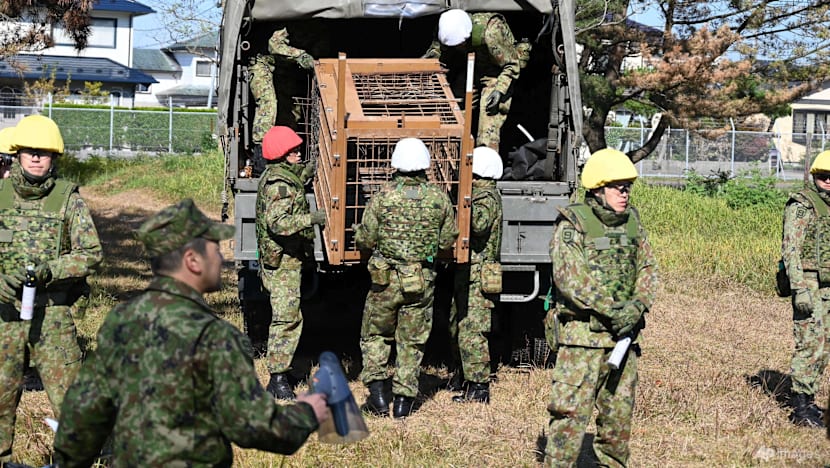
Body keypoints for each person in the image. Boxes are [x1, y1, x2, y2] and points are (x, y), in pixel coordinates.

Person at [53, 199, 328, 466]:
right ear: (193, 261)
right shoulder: (217, 337)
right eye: (214, 250)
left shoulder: (121, 322)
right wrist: (307, 413)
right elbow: (255, 427)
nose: (221, 258)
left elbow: (85, 413)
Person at [544, 148, 657, 466]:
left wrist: (637, 306)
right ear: (597, 188)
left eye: (628, 186)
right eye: (617, 186)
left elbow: (648, 268)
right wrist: (616, 311)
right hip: (582, 342)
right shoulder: (572, 224)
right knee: (568, 420)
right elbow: (572, 281)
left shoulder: (632, 222)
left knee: (618, 425)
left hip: (623, 341)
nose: (625, 192)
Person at [0, 114, 103, 462]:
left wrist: (49, 271)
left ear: (54, 157)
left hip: (54, 316)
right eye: (29, 151)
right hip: (4, 317)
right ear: (17, 154)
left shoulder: (68, 199)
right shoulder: (0, 195)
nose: (35, 157)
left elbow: (91, 254)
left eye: (43, 152)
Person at [354, 137, 458, 419]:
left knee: (376, 335)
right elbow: (448, 239)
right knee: (411, 341)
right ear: (424, 163)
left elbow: (366, 238)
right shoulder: (438, 198)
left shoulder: (382, 196)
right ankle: (403, 403)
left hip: (385, 280)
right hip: (420, 280)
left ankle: (377, 397)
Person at [255, 126, 325, 400]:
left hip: (284, 261)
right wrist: (312, 219)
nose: (298, 153)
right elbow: (278, 223)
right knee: (286, 320)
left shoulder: (280, 176)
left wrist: (312, 167)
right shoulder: (279, 186)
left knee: (291, 317)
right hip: (282, 263)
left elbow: (297, 178)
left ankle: (281, 372)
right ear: (282, 155)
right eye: (293, 150)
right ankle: (277, 380)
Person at [448, 146, 503, 404]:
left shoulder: (486, 197)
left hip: (479, 274)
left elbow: (478, 225)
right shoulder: (481, 194)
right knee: (457, 326)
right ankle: (463, 376)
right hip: (469, 272)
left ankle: (479, 387)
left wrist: (463, 204)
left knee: (472, 331)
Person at [423, 9, 523, 150]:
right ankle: (454, 155)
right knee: (454, 112)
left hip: (496, 74)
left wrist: (500, 90)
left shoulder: (491, 32)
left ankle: (485, 163)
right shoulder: (446, 27)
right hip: (470, 68)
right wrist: (425, 63)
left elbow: (512, 64)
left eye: (460, 44)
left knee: (488, 123)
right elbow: (437, 51)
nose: (458, 47)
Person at [781, 149, 830, 428]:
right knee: (809, 345)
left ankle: (809, 401)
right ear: (815, 177)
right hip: (810, 284)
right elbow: (792, 249)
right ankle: (800, 408)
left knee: (824, 348)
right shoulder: (803, 204)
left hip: (828, 286)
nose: (828, 181)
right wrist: (799, 288)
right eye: (823, 177)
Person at [249, 28, 315, 152]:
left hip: (284, 69)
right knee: (268, 104)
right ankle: (261, 149)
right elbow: (274, 45)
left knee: (292, 109)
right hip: (262, 62)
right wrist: (300, 55)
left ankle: (287, 148)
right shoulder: (286, 25)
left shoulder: (317, 27)